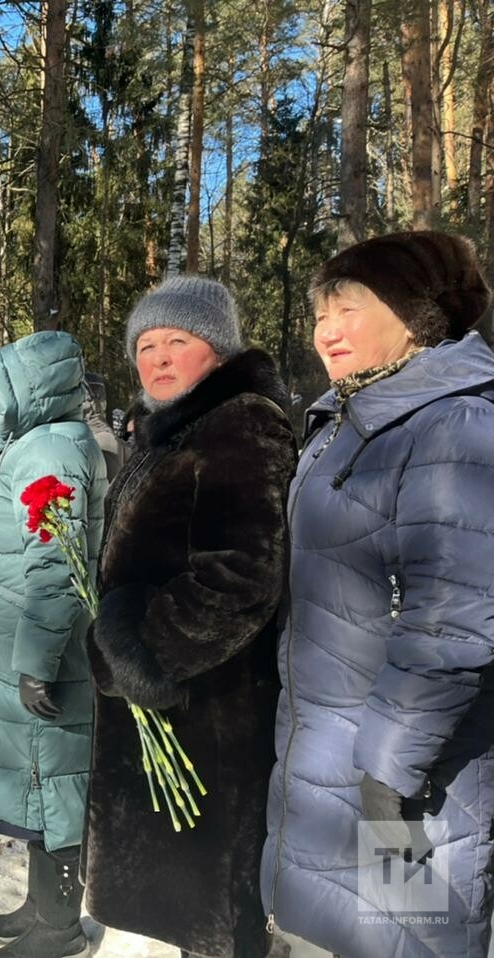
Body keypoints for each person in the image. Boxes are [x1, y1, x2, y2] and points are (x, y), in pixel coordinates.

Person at [261, 232, 494, 958]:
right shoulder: (347, 421)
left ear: (417, 314)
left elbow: (453, 618)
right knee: (344, 929)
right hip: (330, 754)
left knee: (405, 934)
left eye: (349, 307)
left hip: (403, 778)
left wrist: (391, 766)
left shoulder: (453, 422)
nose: (326, 330)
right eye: (319, 312)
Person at [82, 277, 295, 958]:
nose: (160, 358)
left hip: (210, 710)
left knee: (213, 910)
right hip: (164, 704)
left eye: (179, 341)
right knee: (176, 907)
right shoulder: (166, 430)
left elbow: (243, 574)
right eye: (146, 345)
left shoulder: (242, 423)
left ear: (220, 351)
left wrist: (145, 652)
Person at [0, 331, 105, 958]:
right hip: (6, 648)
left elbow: (56, 565)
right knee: (34, 787)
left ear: (37, 385)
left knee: (50, 785)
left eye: (9, 382)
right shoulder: (25, 446)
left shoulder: (54, 449)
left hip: (39, 657)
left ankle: (60, 927)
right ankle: (39, 907)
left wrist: (37, 663)